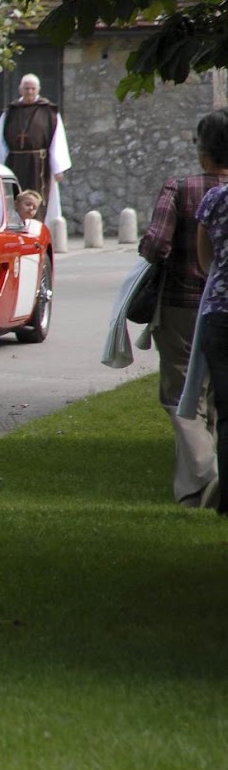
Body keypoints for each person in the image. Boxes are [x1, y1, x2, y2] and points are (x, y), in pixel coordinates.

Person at [143, 110, 228, 510]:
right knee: (213, 398)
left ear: (203, 150)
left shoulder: (181, 188)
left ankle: (207, 476)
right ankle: (194, 492)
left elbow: (155, 245)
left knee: (181, 395)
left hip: (183, 303)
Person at [0, 73, 72, 226]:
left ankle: (40, 230)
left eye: (33, 88)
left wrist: (58, 167)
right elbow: (0, 142)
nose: (30, 92)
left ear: (38, 90)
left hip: (40, 165)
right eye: (26, 88)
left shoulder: (49, 112)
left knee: (40, 200)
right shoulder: (10, 112)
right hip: (14, 163)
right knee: (15, 197)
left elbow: (57, 139)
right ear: (20, 90)